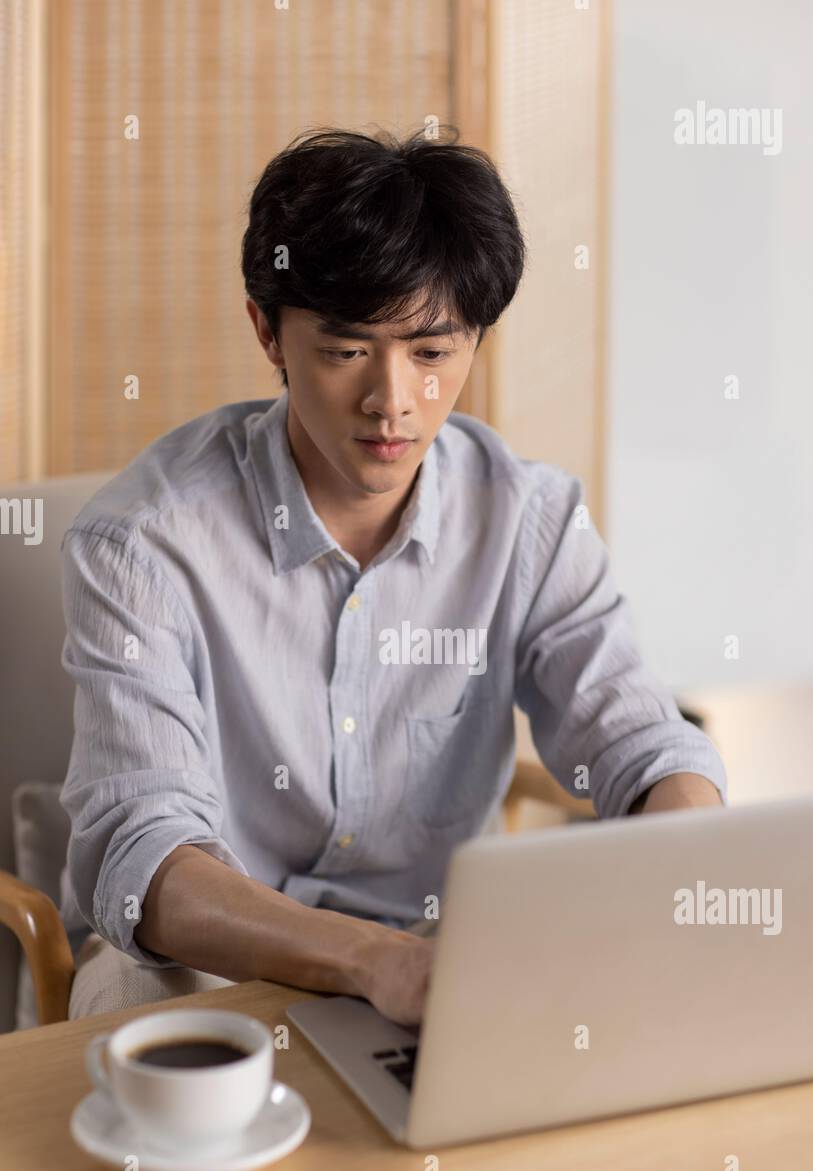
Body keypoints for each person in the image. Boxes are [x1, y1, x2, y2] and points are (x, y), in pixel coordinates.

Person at [61, 126, 726, 1026]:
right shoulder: (142, 544)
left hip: (447, 955)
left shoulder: (527, 522)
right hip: (212, 956)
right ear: (268, 331)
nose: (392, 401)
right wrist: (378, 963)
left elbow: (645, 746)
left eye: (431, 352)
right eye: (344, 352)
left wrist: (682, 873)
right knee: (138, 1012)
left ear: (474, 343)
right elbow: (145, 858)